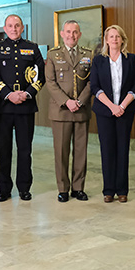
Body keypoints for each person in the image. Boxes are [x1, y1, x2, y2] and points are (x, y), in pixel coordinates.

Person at [0, 14, 44, 202]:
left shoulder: (32, 48)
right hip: (3, 107)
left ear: (22, 28)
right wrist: (8, 94)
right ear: (5, 28)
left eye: (17, 25)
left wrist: (26, 94)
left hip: (25, 107)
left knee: (24, 150)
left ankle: (24, 188)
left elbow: (40, 77)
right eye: (10, 26)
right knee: (2, 150)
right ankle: (4, 188)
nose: (13, 29)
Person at [90, 25, 135, 203]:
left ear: (122, 40)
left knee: (122, 149)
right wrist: (112, 106)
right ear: (106, 40)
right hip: (105, 111)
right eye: (111, 36)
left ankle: (122, 190)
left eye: (118, 36)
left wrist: (122, 106)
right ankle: (108, 190)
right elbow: (94, 87)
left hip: (125, 111)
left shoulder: (130, 59)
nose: (114, 39)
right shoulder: (98, 60)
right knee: (107, 149)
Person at [45, 20, 93, 203]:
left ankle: (78, 188)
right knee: (61, 151)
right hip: (61, 111)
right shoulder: (53, 54)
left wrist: (79, 101)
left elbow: (91, 81)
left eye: (75, 32)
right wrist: (67, 101)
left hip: (81, 109)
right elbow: (50, 82)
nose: (71, 35)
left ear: (79, 35)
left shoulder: (88, 55)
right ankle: (63, 188)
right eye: (68, 32)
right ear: (62, 34)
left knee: (81, 151)